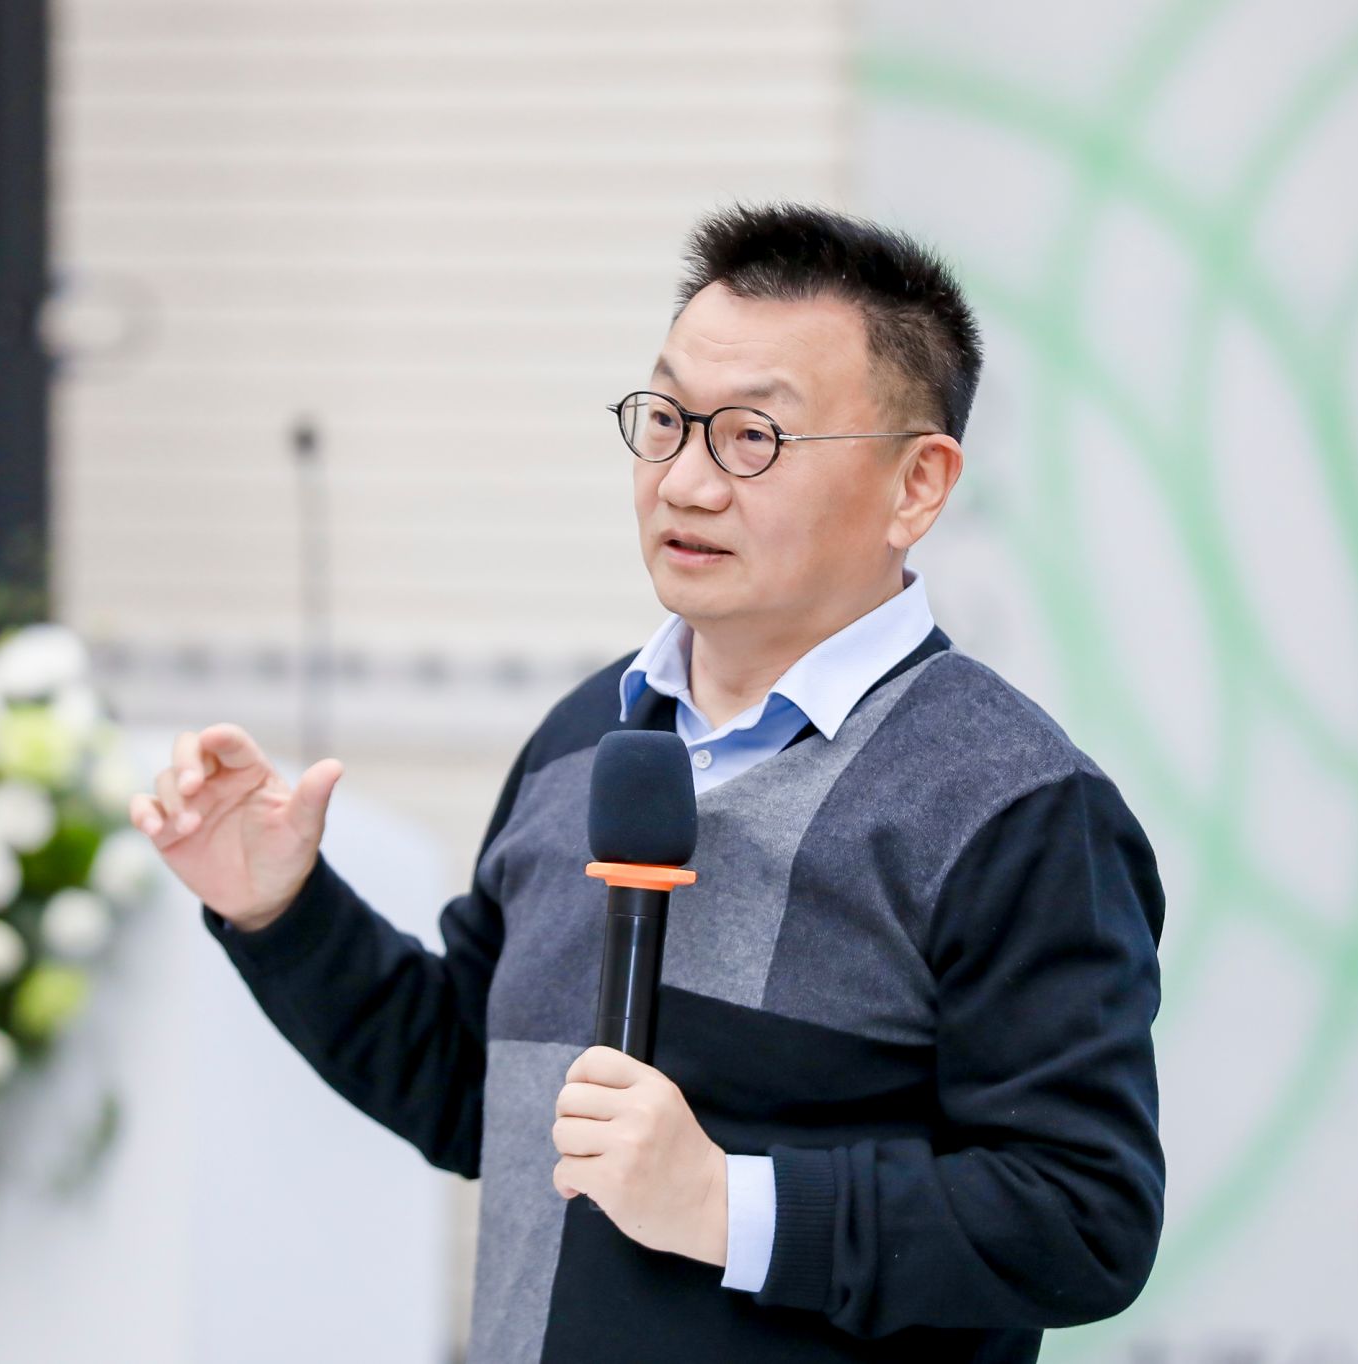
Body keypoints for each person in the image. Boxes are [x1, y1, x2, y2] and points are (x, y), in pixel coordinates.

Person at [131, 201, 1166, 1363]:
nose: (684, 483)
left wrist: (728, 1204)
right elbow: (477, 1092)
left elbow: (1083, 1216)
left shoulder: (1010, 805)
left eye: (752, 438)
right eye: (666, 420)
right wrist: (281, 909)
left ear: (915, 485)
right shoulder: (587, 739)